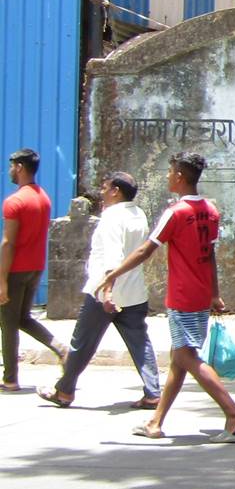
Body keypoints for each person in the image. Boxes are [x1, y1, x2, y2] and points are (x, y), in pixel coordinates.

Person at [100, 152, 235, 442]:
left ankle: (233, 412)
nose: (168, 176)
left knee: (185, 356)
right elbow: (210, 255)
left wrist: (113, 275)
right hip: (200, 294)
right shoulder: (210, 210)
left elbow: (145, 250)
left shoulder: (176, 212)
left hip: (182, 295)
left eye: (170, 172)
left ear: (180, 176)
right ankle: (155, 422)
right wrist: (214, 293)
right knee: (178, 358)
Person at [39, 172, 161, 409]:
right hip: (134, 292)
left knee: (82, 343)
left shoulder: (112, 217)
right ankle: (153, 392)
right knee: (140, 342)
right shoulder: (138, 214)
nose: (102, 192)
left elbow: (113, 256)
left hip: (104, 292)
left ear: (116, 191)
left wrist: (108, 292)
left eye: (105, 188)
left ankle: (64, 391)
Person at [1, 148, 67, 391]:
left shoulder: (15, 201)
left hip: (15, 269)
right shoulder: (43, 197)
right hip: (36, 267)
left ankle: (10, 379)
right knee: (23, 318)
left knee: (8, 323)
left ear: (19, 167)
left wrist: (2, 281)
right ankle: (61, 349)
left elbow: (8, 243)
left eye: (12, 166)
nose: (10, 170)